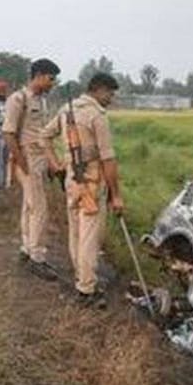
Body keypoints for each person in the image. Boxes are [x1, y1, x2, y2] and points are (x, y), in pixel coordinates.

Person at [43, 73, 124, 309]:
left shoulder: (66, 110)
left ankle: (82, 276)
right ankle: (87, 289)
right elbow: (108, 159)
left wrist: (56, 164)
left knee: (76, 233)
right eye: (110, 93)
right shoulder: (97, 115)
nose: (111, 99)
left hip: (72, 179)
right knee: (90, 237)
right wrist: (116, 195)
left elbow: (44, 136)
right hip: (92, 181)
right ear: (99, 89)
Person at [3, 58, 60, 280]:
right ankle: (37, 257)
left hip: (39, 158)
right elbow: (9, 134)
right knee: (39, 209)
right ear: (39, 76)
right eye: (51, 79)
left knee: (30, 207)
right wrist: (22, 163)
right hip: (28, 159)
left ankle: (27, 249)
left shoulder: (41, 101)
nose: (52, 83)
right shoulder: (18, 99)